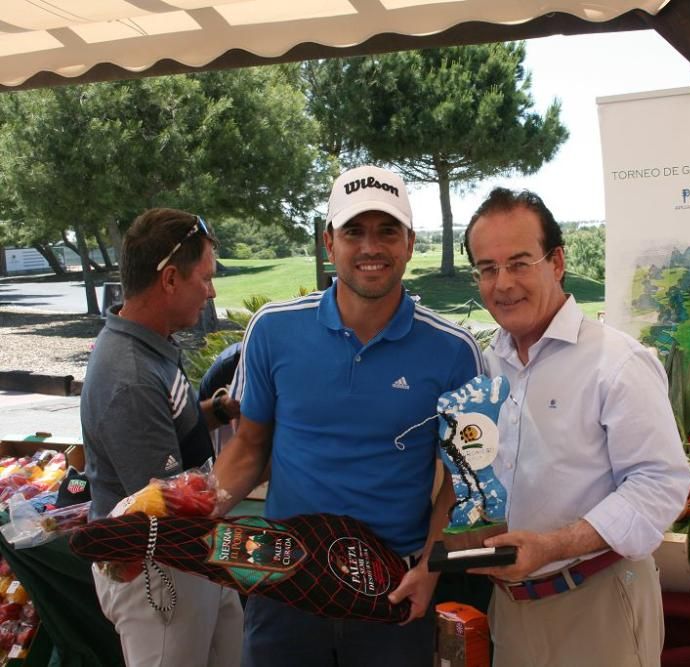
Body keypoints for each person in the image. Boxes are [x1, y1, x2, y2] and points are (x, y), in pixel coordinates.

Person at [212, 165, 484, 666]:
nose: (370, 247)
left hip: (395, 594)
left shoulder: (454, 351)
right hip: (285, 586)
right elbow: (249, 448)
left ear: (409, 242)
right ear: (328, 242)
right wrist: (190, 514)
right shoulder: (272, 331)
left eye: (387, 231)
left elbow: (466, 482)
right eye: (354, 231)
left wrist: (430, 568)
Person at [463, 188, 690, 667]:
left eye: (519, 263)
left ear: (557, 261)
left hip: (598, 601)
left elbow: (660, 487)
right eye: (487, 268)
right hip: (511, 610)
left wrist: (552, 546)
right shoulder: (485, 366)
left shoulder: (618, 362)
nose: (502, 283)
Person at [81, 208, 243, 667]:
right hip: (157, 572)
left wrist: (223, 409)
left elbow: (178, 426)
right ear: (170, 279)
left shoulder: (149, 344)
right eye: (206, 278)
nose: (211, 292)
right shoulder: (129, 376)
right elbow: (166, 504)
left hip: (193, 557)